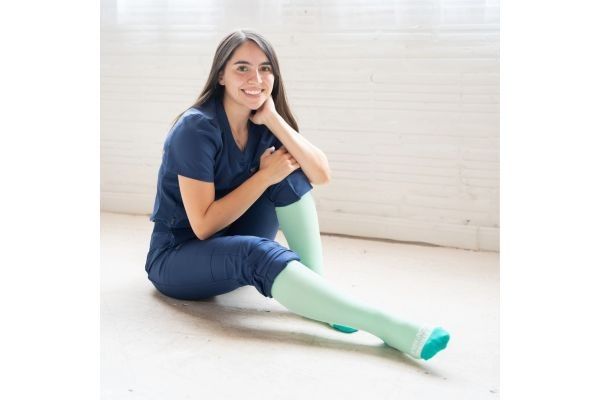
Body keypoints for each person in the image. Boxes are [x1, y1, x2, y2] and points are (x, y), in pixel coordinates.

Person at [144, 29, 450, 361]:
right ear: (221, 75)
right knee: (259, 234)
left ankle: (320, 296)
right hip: (178, 257)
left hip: (230, 241)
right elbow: (203, 226)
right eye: (242, 68)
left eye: (265, 69)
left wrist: (273, 118)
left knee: (289, 174)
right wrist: (264, 176)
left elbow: (320, 174)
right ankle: (387, 327)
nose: (256, 78)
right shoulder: (196, 128)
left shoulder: (260, 124)